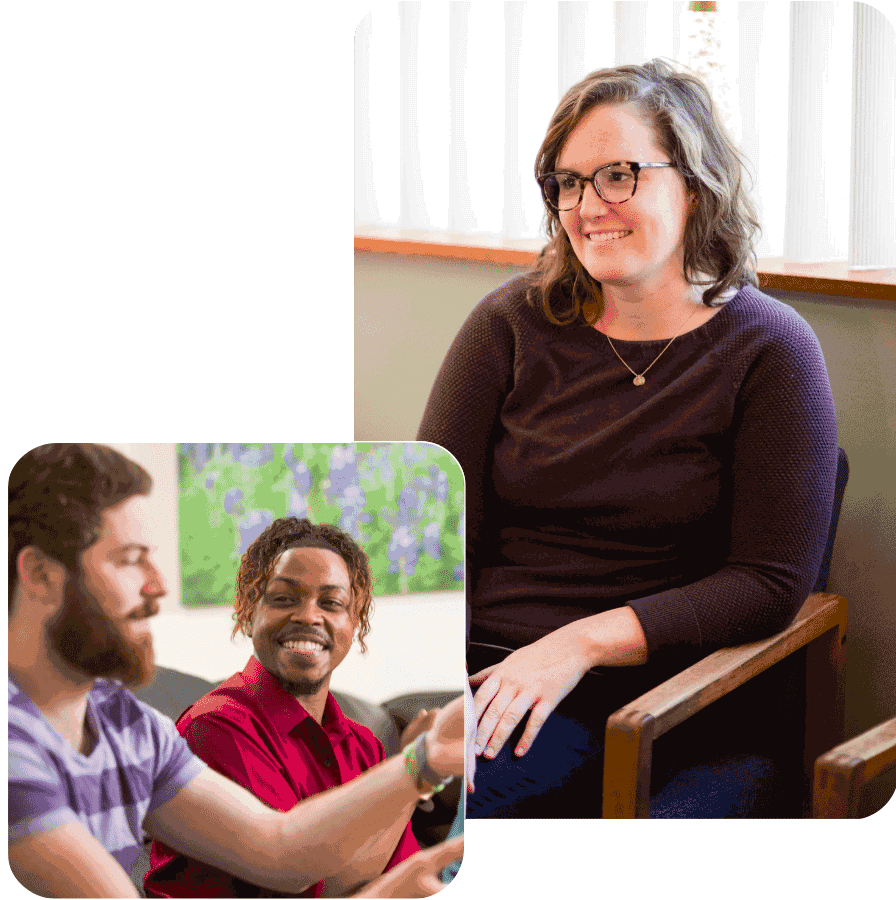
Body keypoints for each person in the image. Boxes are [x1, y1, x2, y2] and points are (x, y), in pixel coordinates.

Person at [417, 59, 838, 818]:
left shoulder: (773, 350)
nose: (587, 206)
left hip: (634, 696)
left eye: (617, 175)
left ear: (695, 182)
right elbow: (431, 526)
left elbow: (770, 584)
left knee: (428, 820)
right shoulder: (507, 325)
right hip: (474, 670)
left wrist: (576, 645)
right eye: (567, 182)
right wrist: (416, 678)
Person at [8, 444, 464, 896]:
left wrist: (424, 761)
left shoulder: (130, 728)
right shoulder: (17, 742)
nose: (159, 584)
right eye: (129, 559)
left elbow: (280, 852)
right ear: (42, 575)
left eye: (332, 603)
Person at [145, 517, 428, 897]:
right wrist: (416, 772)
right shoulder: (214, 727)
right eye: (283, 598)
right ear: (249, 608)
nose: (309, 616)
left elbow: (405, 882)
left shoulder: (365, 745)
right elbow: (313, 883)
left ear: (355, 623)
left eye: (332, 603)